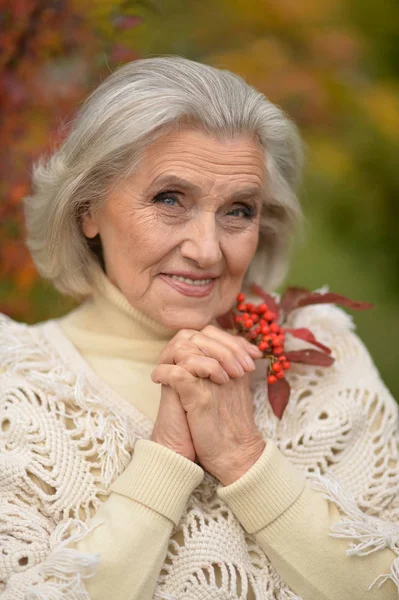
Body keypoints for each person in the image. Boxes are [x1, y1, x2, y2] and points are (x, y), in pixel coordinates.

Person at [0, 56, 398, 600]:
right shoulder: (13, 382)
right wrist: (163, 461)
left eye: (238, 210)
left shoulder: (320, 358)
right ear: (88, 208)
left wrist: (244, 459)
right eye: (170, 199)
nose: (207, 250)